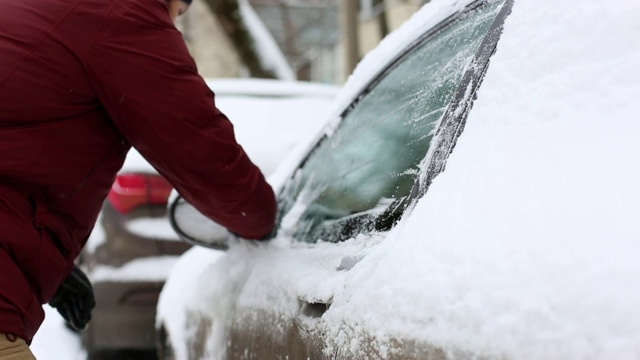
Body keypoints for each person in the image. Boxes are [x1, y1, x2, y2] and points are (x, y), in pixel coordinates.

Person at [0, 0, 277, 357]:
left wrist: (52, 271)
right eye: (180, 12)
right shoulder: (123, 15)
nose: (174, 25)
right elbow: (204, 152)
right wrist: (268, 219)